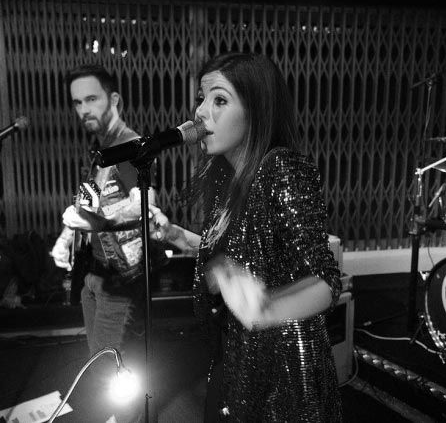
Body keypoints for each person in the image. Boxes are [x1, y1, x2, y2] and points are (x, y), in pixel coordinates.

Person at [148, 52, 343, 422]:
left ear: (256, 110)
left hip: (280, 377)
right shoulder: (227, 177)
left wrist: (266, 308)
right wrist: (176, 235)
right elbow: (236, 254)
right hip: (237, 358)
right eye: (201, 99)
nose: (200, 113)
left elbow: (326, 282)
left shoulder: (280, 167)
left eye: (219, 100)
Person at [50, 64, 162, 421]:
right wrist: (66, 237)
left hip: (119, 279)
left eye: (91, 99)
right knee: (102, 363)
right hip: (95, 273)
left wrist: (97, 221)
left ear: (114, 100)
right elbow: (91, 202)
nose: (83, 109)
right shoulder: (102, 148)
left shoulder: (127, 146)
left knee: (110, 364)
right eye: (77, 102)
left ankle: (127, 417)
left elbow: (145, 205)